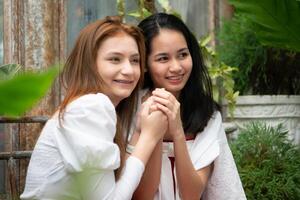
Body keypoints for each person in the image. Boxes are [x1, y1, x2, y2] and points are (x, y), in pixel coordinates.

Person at [20, 16, 168, 200]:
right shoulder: (90, 108)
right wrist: (149, 137)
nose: (129, 70)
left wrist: (139, 131)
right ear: (90, 64)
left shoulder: (89, 107)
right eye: (115, 59)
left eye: (135, 60)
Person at [127, 13, 246, 200]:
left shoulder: (206, 114)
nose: (176, 67)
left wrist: (177, 133)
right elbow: (142, 195)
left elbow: (191, 195)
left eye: (182, 54)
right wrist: (154, 130)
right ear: (145, 64)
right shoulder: (129, 112)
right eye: (163, 58)